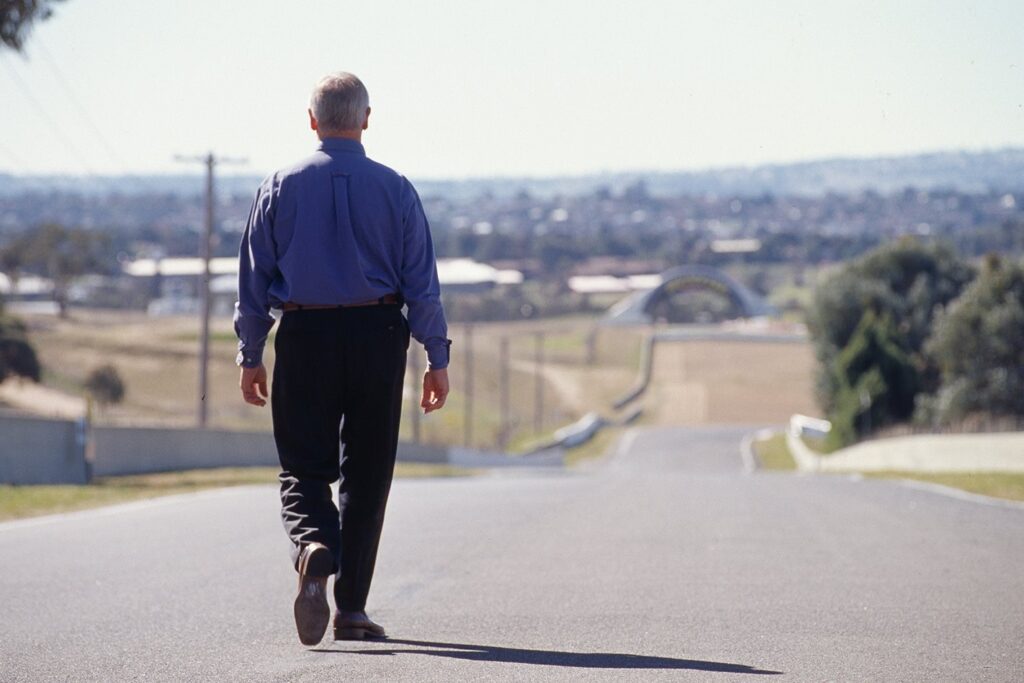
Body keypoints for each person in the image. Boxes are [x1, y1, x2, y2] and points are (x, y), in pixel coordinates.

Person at [234, 72, 451, 646]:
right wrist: (437, 356)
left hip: (305, 332)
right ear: (366, 119)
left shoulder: (278, 186)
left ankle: (312, 544)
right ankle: (351, 608)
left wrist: (250, 353)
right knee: (368, 472)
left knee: (303, 466)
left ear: (312, 120)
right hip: (378, 333)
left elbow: (253, 281)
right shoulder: (396, 189)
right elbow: (422, 284)